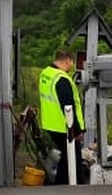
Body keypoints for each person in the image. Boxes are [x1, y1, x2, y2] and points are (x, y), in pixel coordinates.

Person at [38, 48, 88, 185]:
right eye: (71, 62)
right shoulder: (61, 79)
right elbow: (68, 106)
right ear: (67, 60)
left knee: (67, 156)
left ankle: (60, 183)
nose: (71, 66)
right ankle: (77, 185)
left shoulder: (46, 73)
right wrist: (77, 130)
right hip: (63, 126)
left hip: (50, 123)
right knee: (74, 157)